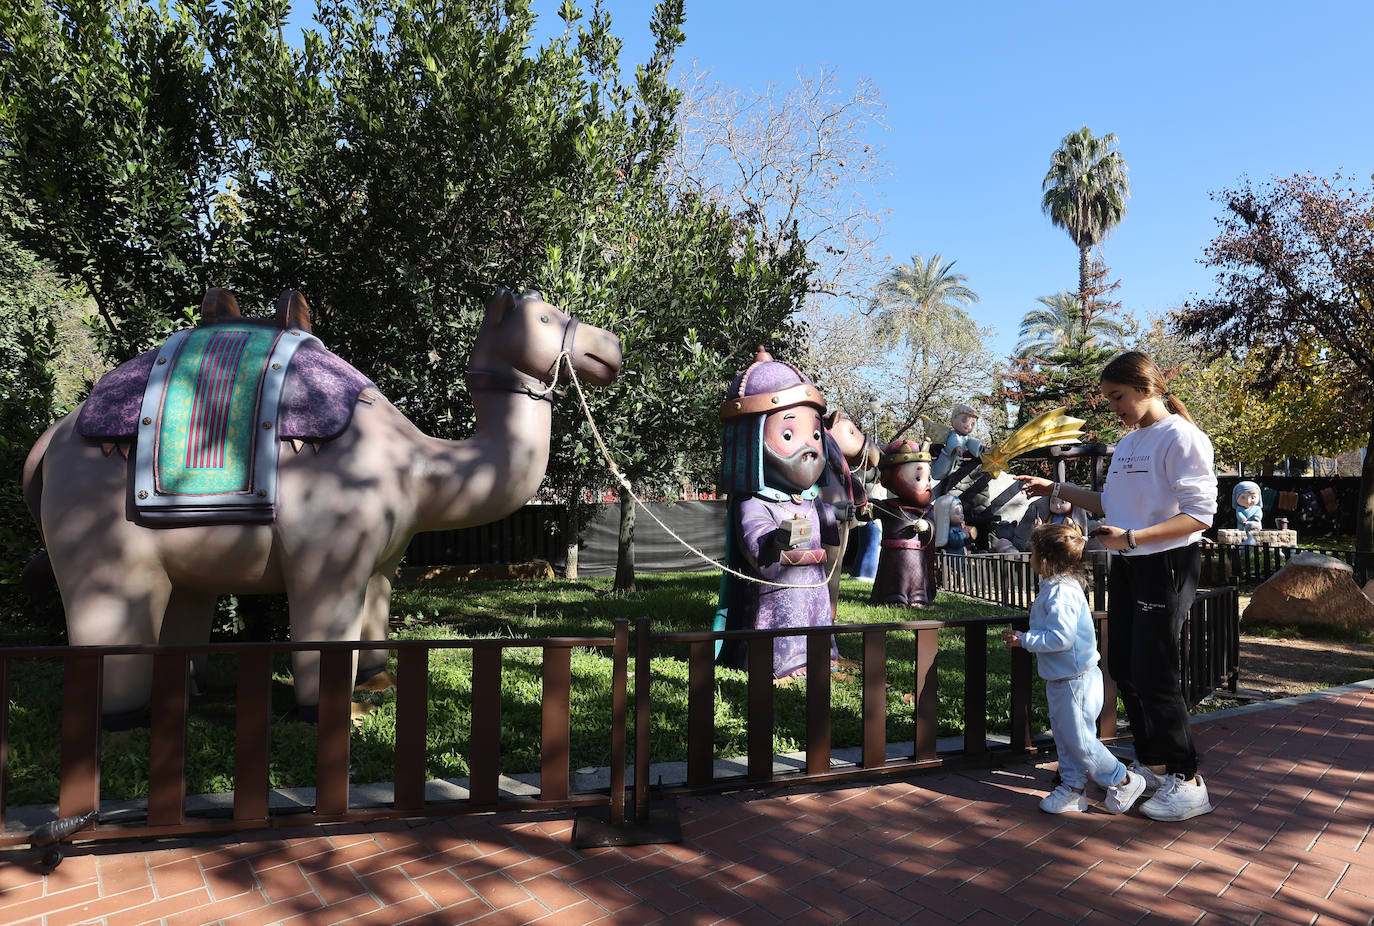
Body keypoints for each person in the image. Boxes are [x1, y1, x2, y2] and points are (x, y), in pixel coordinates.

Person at [1013, 351, 1217, 822]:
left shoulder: (1183, 438)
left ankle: (1186, 778)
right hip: (1130, 563)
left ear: (1146, 387)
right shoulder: (1129, 443)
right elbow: (1111, 502)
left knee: (1155, 670)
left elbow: (1199, 516)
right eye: (1109, 398)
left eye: (1117, 396)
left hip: (1164, 564)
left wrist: (1132, 538)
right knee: (1125, 667)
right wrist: (1054, 489)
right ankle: (1152, 765)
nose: (1113, 406)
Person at [1002, 523, 1147, 815]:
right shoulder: (1056, 589)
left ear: (1044, 559)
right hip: (1065, 678)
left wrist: (1024, 640)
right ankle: (1072, 789)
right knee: (1068, 738)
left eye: (1032, 554)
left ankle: (1122, 779)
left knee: (1079, 741)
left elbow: (1061, 637)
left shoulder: (1061, 593)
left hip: (1075, 681)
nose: (1030, 559)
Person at [716, 348, 839, 681]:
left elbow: (828, 530)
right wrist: (778, 537)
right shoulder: (754, 501)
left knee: (816, 619)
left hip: (814, 582)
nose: (810, 446)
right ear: (752, 440)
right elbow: (755, 544)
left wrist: (832, 517)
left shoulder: (809, 499)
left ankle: (824, 656)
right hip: (775, 588)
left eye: (814, 435)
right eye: (788, 435)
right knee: (783, 625)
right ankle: (782, 664)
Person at [931, 404, 984, 481]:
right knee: (941, 470)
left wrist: (980, 447)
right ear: (954, 418)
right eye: (964, 421)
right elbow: (954, 440)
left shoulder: (967, 437)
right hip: (947, 457)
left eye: (972, 424)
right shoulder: (953, 433)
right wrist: (957, 447)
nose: (968, 426)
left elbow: (972, 443)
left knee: (951, 471)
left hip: (956, 460)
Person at [1233, 481, 1263, 545]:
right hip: (1242, 527)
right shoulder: (1239, 508)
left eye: (1253, 497)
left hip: (1255, 526)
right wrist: (1242, 519)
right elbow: (1239, 514)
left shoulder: (1257, 508)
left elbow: (1259, 513)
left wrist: (1257, 517)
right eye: (1243, 497)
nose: (1248, 501)